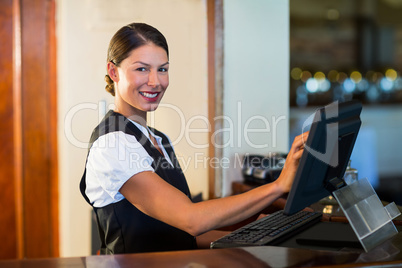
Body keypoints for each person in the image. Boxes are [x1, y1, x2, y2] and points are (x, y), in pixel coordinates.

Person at [80, 22, 307, 254]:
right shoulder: (112, 145)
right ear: (113, 71)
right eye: (141, 69)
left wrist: (254, 233)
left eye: (162, 69)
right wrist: (278, 186)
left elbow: (182, 232)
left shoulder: (158, 138)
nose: (155, 81)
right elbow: (192, 219)